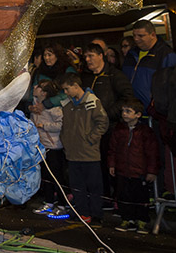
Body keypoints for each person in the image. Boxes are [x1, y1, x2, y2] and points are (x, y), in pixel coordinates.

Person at [81, 42, 134, 207]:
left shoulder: (114, 75)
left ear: (101, 55)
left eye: (91, 56)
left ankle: (115, 199)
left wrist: (108, 114)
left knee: (109, 164)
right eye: (86, 57)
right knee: (95, 166)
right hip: (89, 129)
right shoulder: (85, 77)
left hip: (109, 128)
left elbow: (127, 96)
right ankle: (100, 198)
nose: (88, 60)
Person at [60, 73, 109, 224]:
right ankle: (82, 212)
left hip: (89, 153)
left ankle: (96, 214)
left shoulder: (92, 102)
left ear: (76, 86)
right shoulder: (67, 104)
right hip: (72, 152)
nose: (65, 93)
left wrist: (91, 139)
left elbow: (103, 122)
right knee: (77, 186)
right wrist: (65, 141)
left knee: (94, 186)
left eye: (67, 89)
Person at [108, 98, 159, 233]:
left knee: (140, 196)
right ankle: (126, 219)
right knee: (124, 195)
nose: (124, 114)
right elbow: (112, 149)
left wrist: (151, 171)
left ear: (137, 114)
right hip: (123, 170)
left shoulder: (145, 132)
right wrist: (112, 164)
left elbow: (152, 152)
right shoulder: (119, 130)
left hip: (139, 171)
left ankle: (142, 220)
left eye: (128, 111)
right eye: (123, 111)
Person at [122, 20, 176, 113]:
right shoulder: (131, 54)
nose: (136, 39)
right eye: (134, 35)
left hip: (155, 112)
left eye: (141, 36)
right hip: (131, 112)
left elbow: (171, 88)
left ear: (153, 35)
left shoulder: (166, 54)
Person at [31, 79, 67, 215]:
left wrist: (43, 126)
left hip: (53, 146)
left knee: (57, 176)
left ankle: (63, 205)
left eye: (39, 87)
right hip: (41, 146)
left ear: (45, 93)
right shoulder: (35, 105)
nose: (35, 87)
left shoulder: (54, 108)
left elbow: (61, 124)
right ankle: (49, 202)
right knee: (45, 176)